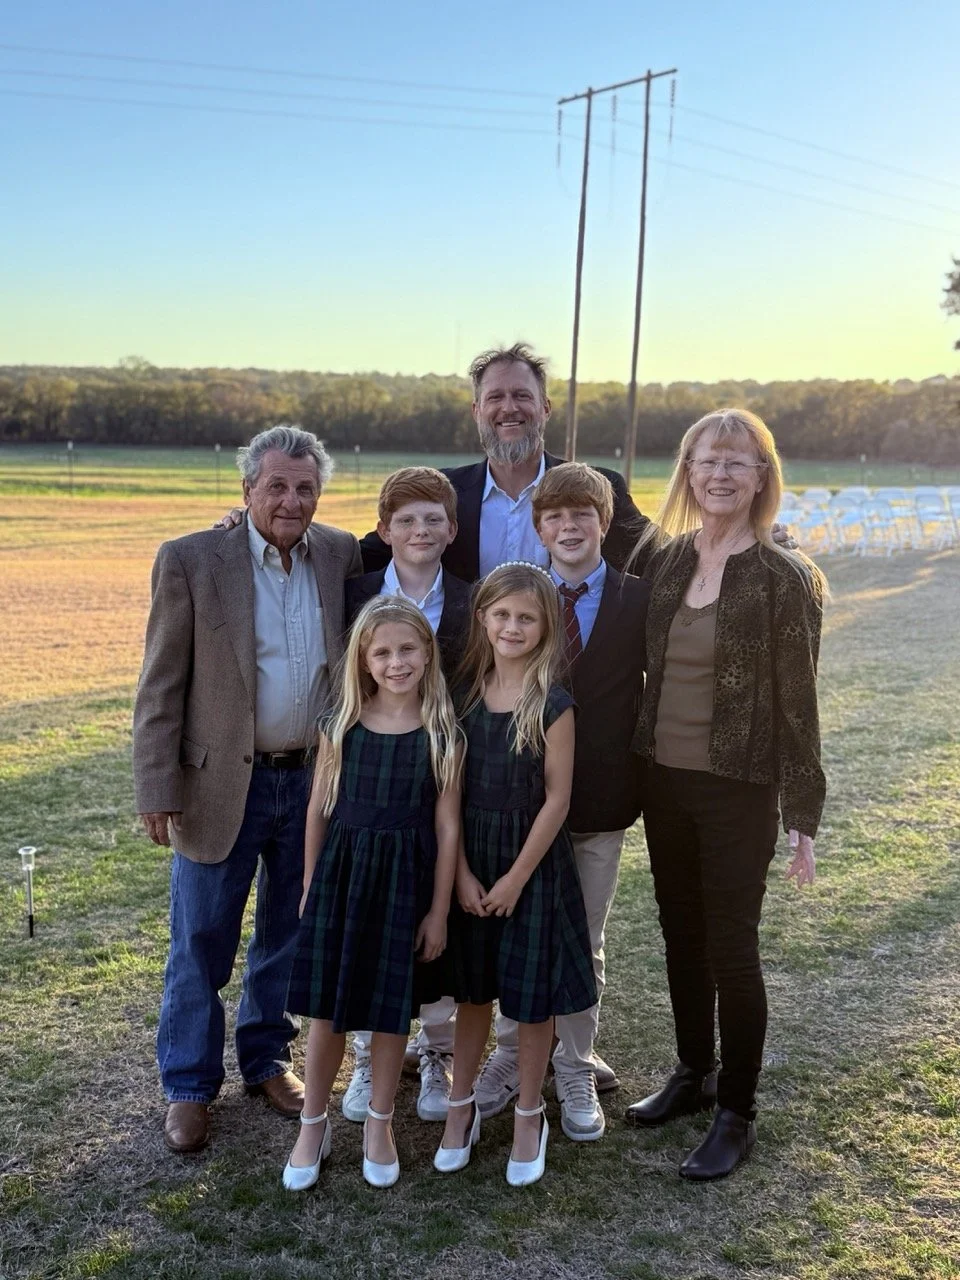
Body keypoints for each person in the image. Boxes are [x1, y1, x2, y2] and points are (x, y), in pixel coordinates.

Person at [133, 425, 362, 1154]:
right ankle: (190, 1086)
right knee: (200, 940)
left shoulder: (341, 553)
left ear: (319, 493)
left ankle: (266, 1059)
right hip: (217, 784)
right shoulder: (192, 559)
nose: (290, 500)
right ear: (246, 491)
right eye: (276, 486)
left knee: (288, 935)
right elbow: (160, 685)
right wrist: (156, 785)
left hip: (312, 782)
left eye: (304, 487)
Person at [624, 408, 826, 1180]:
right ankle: (693, 1070)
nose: (720, 474)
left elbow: (799, 703)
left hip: (738, 789)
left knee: (732, 950)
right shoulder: (669, 560)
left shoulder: (783, 576)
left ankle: (737, 1110)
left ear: (762, 477)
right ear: (687, 469)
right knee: (680, 935)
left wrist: (802, 812)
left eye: (738, 463)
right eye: (709, 460)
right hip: (663, 782)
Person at [474, 464, 649, 1141]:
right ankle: (515, 1053)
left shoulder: (639, 597)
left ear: (606, 523)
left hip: (600, 797)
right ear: (539, 526)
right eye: (555, 517)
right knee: (518, 933)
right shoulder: (524, 599)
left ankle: (575, 1061)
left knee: (586, 936)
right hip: (521, 801)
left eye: (583, 516)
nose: (569, 528)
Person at [282, 597, 462, 1191]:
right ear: (363, 659)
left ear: (428, 653)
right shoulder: (340, 726)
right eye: (382, 652)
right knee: (330, 1011)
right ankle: (314, 1124)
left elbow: (446, 827)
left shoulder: (442, 734)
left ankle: (378, 1124)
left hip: (405, 885)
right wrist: (310, 884)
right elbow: (317, 811)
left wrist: (438, 910)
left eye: (408, 649)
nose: (396, 662)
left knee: (391, 1012)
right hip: (343, 879)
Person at [435, 563, 597, 1187]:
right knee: (474, 993)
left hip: (531, 867)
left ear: (545, 626)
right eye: (501, 615)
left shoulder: (553, 704)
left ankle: (530, 1114)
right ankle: (461, 1108)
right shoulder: (464, 694)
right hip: (471, 861)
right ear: (482, 618)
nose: (512, 626)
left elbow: (557, 799)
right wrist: (463, 876)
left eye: (526, 618)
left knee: (532, 1001)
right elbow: (446, 791)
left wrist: (514, 879)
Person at [342, 467, 471, 1125]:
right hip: (370, 781)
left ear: (451, 530)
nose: (420, 531)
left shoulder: (472, 600)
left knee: (434, 921)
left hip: (442, 778)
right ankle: (366, 1057)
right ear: (385, 529)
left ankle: (435, 1052)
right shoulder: (355, 591)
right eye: (406, 520)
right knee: (373, 923)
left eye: (433, 520)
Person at [358, 343, 650, 579]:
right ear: (476, 410)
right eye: (495, 397)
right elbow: (362, 558)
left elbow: (658, 560)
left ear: (546, 407)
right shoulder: (442, 493)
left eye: (522, 395)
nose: (509, 408)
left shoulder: (600, 489)